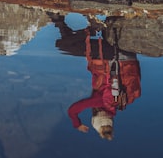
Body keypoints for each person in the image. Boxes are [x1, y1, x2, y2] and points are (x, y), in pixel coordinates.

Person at [49, 11, 142, 140]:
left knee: (70, 45)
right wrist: (77, 124)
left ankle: (58, 20)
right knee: (64, 45)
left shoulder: (119, 103)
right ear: (96, 119)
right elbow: (73, 110)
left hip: (125, 58)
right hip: (113, 56)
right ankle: (91, 29)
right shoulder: (102, 103)